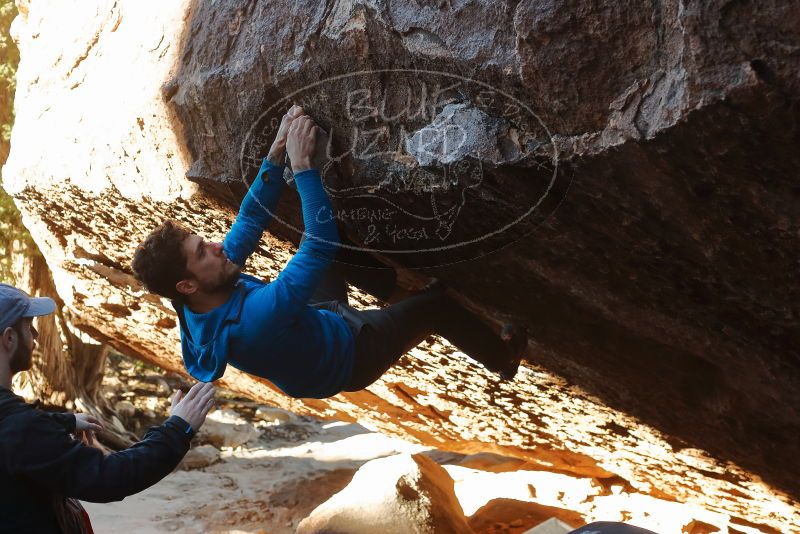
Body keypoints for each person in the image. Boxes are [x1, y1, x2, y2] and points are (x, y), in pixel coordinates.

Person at [131, 106, 527, 400]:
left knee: (327, 229)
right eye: (203, 252)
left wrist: (277, 151)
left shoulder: (197, 294)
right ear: (187, 283)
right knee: (435, 306)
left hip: (311, 323)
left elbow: (250, 220)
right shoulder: (254, 321)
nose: (217, 246)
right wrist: (303, 167)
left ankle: (390, 289)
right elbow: (318, 245)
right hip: (350, 355)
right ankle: (502, 359)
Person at [0, 283, 216, 533]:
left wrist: (66, 422)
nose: (36, 335)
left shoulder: (18, 426)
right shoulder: (22, 429)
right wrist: (178, 428)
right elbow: (109, 478)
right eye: (29, 327)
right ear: (9, 338)